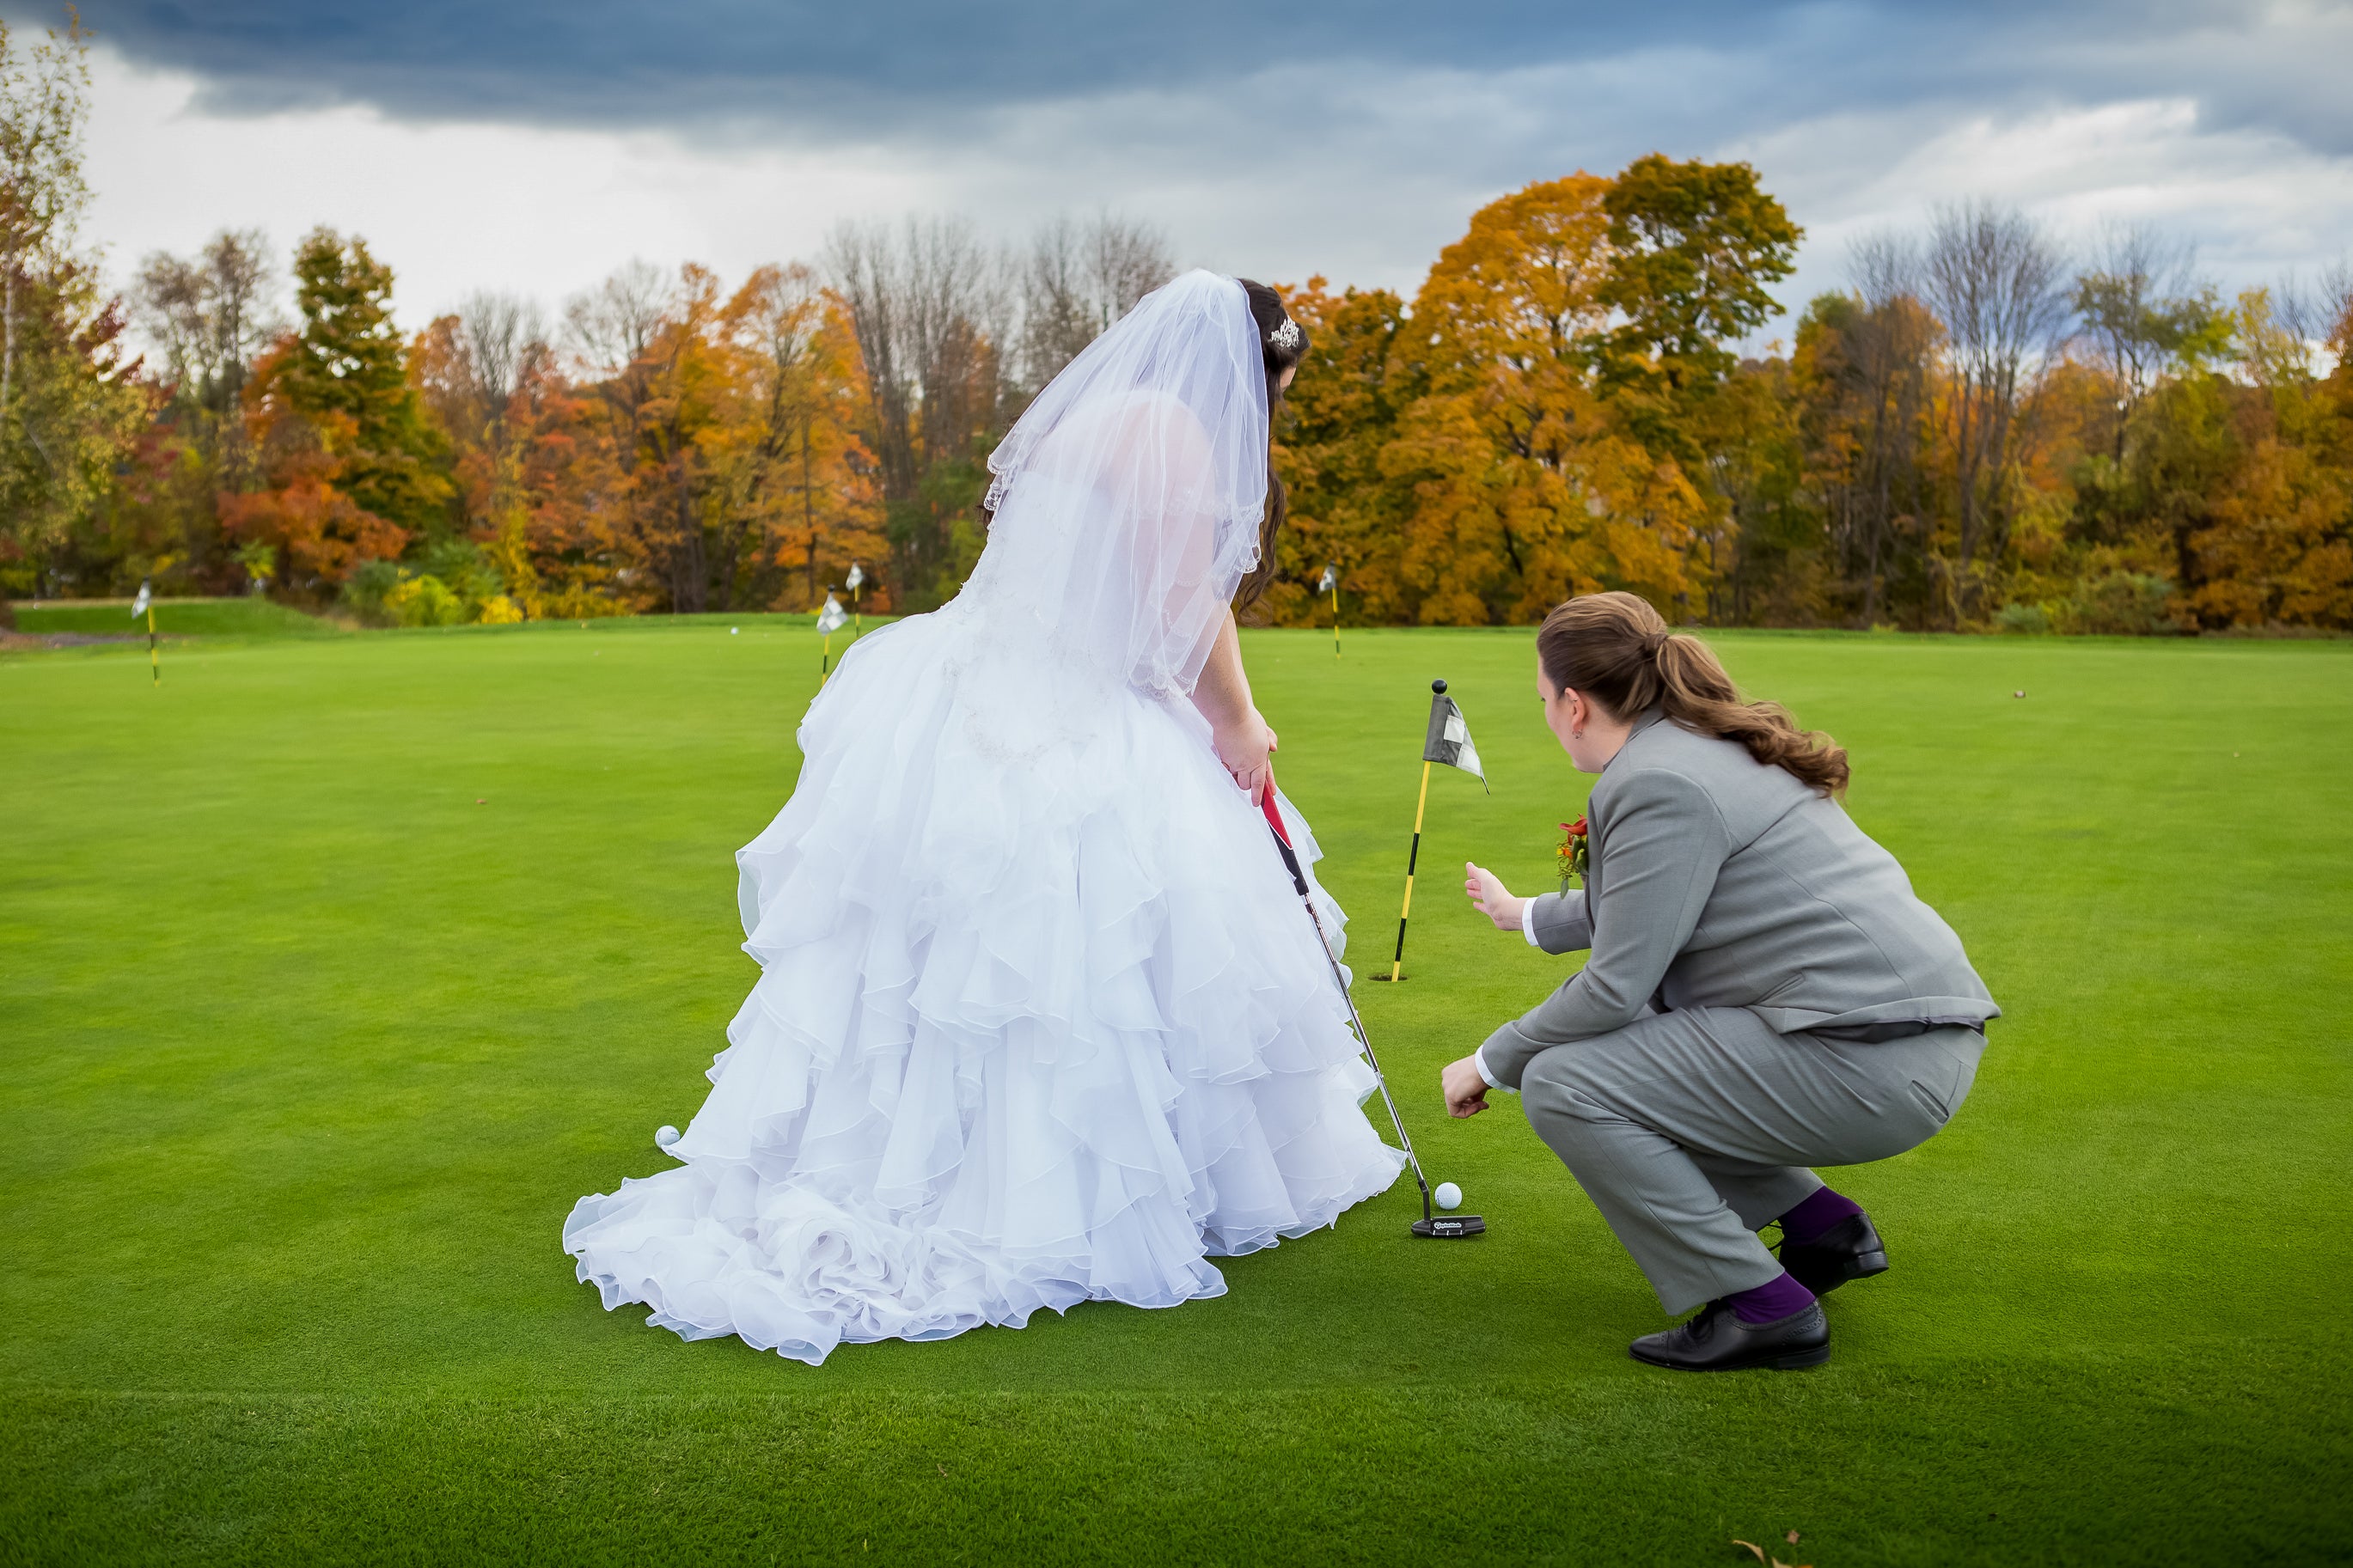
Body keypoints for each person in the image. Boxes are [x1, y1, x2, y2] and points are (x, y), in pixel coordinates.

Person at [565, 272, 1403, 1365]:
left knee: (941, 956)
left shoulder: (1090, 415)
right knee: (1082, 951)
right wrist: (1241, 722)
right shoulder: (1178, 435)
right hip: (1069, 704)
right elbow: (1181, 602)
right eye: (1273, 386)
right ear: (1245, 369)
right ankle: (1045, 1196)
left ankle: (903, 1157)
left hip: (962, 684)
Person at [1448, 592, 1996, 1371]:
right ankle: (1823, 1230)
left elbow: (1614, 988)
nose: (1544, 713)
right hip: (1897, 1033)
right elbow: (1661, 899)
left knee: (1566, 1080)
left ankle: (1765, 1306)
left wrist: (1490, 1059)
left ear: (1575, 705)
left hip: (1875, 1057)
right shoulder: (1704, 742)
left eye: (1542, 699)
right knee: (1636, 1060)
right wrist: (1525, 914)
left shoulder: (1655, 779)